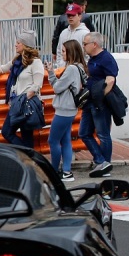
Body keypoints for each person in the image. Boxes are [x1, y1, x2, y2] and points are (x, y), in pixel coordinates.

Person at [0, 28, 45, 148]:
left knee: (24, 135)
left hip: (26, 103)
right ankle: (29, 156)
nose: (16, 45)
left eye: (18, 42)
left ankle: (29, 158)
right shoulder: (17, 61)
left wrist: (24, 98)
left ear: (26, 45)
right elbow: (4, 67)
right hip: (17, 103)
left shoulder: (36, 62)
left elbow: (37, 85)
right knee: (8, 132)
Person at [80, 32, 119, 178]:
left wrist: (100, 97)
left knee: (103, 134)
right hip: (89, 101)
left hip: (99, 102)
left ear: (94, 44)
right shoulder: (92, 59)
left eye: (85, 44)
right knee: (84, 133)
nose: (83, 46)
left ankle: (105, 163)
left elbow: (110, 80)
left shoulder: (106, 58)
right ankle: (100, 161)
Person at [48, 40, 87, 182]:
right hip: (71, 108)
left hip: (64, 109)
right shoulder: (79, 67)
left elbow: (57, 88)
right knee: (65, 140)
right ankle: (66, 172)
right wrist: (52, 74)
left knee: (53, 140)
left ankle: (54, 170)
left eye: (64, 51)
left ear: (71, 52)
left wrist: (51, 74)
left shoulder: (70, 69)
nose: (62, 54)